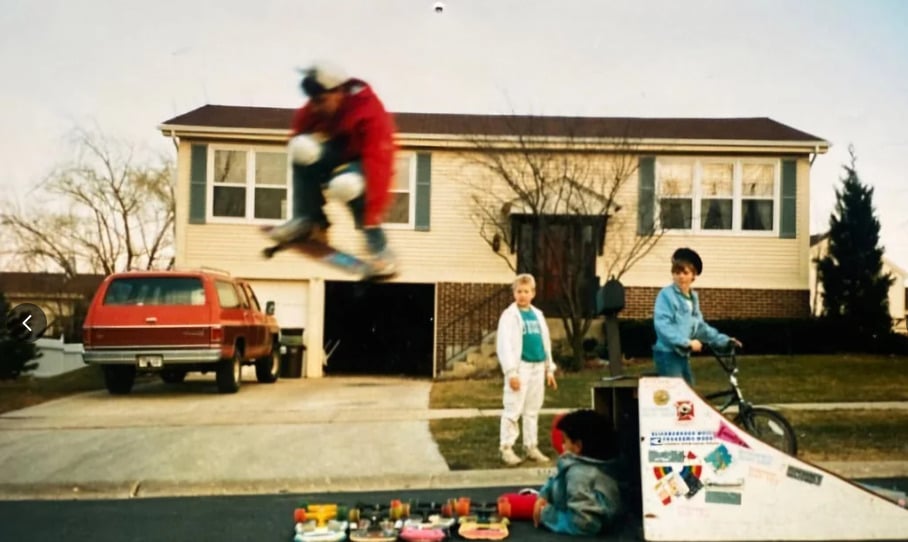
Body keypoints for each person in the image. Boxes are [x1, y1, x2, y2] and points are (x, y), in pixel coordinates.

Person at [268, 61, 398, 274]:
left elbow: (379, 168)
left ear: (339, 92)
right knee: (301, 148)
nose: (315, 108)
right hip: (337, 154)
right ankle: (309, 221)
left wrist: (372, 218)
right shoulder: (312, 110)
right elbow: (298, 142)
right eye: (312, 102)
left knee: (345, 185)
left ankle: (381, 251)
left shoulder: (370, 112)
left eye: (321, 101)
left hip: (368, 163)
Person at [652, 247, 742, 384]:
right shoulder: (666, 295)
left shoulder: (692, 298)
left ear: (693, 276)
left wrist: (724, 341)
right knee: (678, 397)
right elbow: (663, 326)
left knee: (690, 392)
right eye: (676, 272)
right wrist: (687, 343)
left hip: (682, 355)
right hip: (667, 354)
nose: (680, 276)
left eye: (685, 272)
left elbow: (700, 328)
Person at [496, 273, 558, 466]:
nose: (522, 295)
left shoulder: (537, 314)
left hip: (538, 366)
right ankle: (506, 447)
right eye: (519, 291)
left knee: (532, 409)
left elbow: (545, 342)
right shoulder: (510, 315)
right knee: (514, 407)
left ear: (533, 293)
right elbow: (504, 345)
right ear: (514, 293)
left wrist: (549, 369)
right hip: (520, 366)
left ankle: (531, 446)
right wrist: (511, 372)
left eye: (526, 291)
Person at [532, 409, 625, 536]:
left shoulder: (579, 475)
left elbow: (584, 524)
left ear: (577, 446)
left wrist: (546, 514)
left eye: (565, 441)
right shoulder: (587, 466)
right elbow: (556, 479)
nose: (562, 446)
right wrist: (544, 494)